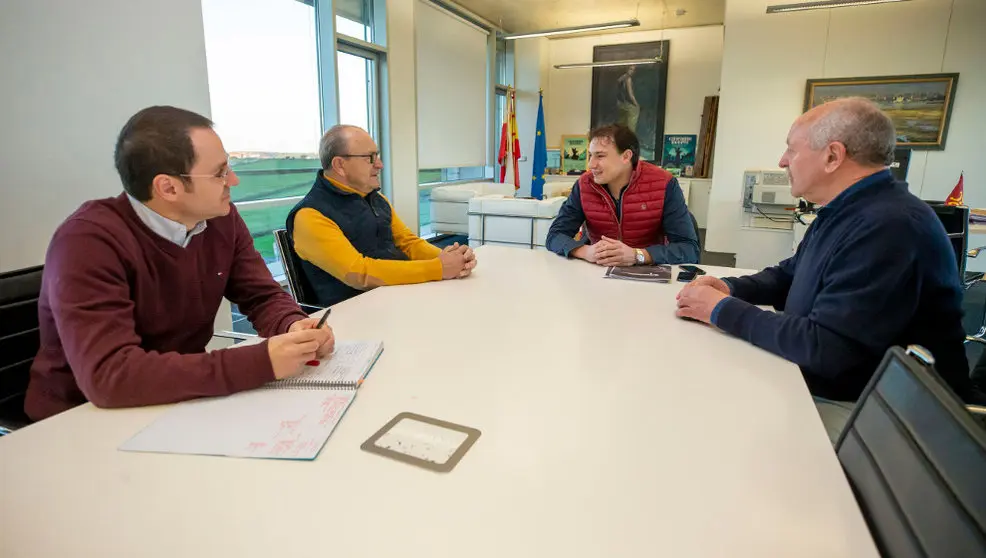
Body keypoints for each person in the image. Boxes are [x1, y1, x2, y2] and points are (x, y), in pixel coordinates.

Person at [675, 97, 971, 442]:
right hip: (840, 388)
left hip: (889, 419)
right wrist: (730, 288)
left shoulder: (890, 226)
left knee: (712, 427)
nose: (782, 161)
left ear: (833, 156)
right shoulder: (848, 210)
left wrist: (719, 310)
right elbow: (790, 274)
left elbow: (826, 348)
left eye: (791, 150)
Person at [25, 106, 334, 422]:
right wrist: (261, 361)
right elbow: (110, 375)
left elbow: (261, 296)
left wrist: (293, 325)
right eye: (219, 173)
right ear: (168, 188)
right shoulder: (87, 241)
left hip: (178, 404)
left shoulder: (219, 219)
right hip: (79, 421)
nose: (234, 180)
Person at [287, 125, 476, 307]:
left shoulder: (376, 200)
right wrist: (439, 268)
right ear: (339, 165)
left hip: (396, 298)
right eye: (370, 157)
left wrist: (452, 258)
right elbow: (359, 273)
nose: (380, 164)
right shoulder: (310, 216)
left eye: (377, 155)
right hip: (355, 316)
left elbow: (408, 243)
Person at [546, 124, 700, 266]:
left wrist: (637, 255)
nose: (591, 164)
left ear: (626, 156)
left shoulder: (664, 184)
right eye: (590, 155)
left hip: (648, 273)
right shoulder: (584, 185)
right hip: (597, 273)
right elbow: (555, 235)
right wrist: (586, 251)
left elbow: (689, 250)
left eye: (600, 156)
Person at [615, 65, 640, 134]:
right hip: (628, 104)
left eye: (633, 70)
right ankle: (630, 138)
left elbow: (618, 92)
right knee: (631, 126)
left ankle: (621, 138)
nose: (632, 71)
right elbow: (630, 94)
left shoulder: (620, 78)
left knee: (622, 123)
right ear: (627, 69)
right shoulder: (628, 79)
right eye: (631, 69)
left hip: (620, 104)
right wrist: (637, 105)